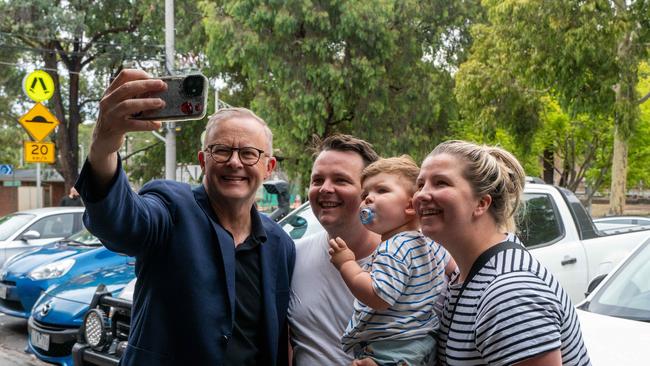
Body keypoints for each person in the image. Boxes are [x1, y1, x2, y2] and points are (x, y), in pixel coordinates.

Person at [76, 69, 295, 366]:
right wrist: (104, 144)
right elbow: (119, 222)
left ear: (268, 167)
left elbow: (278, 335)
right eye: (221, 150)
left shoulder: (280, 244)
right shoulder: (170, 206)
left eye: (248, 154)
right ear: (203, 161)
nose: (234, 162)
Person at [413, 140, 591, 366]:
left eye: (441, 183)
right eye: (420, 185)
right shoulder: (465, 275)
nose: (422, 195)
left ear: (481, 203)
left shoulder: (509, 292)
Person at [328, 156, 454, 366]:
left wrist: (347, 264)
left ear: (411, 206)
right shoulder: (432, 243)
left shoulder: (393, 249)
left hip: (390, 349)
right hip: (420, 343)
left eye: (381, 190)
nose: (367, 199)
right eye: (365, 193)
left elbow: (378, 296)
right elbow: (455, 270)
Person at [287, 134, 381, 365]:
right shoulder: (292, 255)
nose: (325, 189)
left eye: (341, 180)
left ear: (369, 193)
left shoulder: (410, 260)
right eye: (317, 180)